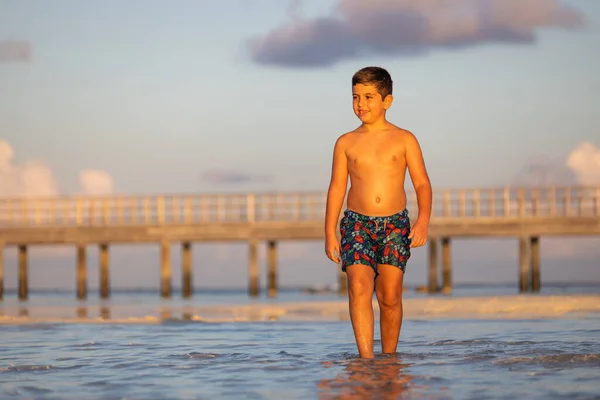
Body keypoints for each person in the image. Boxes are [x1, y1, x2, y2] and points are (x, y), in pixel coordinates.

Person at [324, 66, 432, 359]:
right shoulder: (345, 142)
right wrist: (330, 233)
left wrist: (422, 222)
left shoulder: (404, 138)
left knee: (389, 296)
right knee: (358, 287)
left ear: (387, 101)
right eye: (356, 97)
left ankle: (388, 360)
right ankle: (365, 360)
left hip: (395, 224)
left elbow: (422, 183)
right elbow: (336, 189)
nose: (361, 104)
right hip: (356, 223)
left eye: (369, 97)